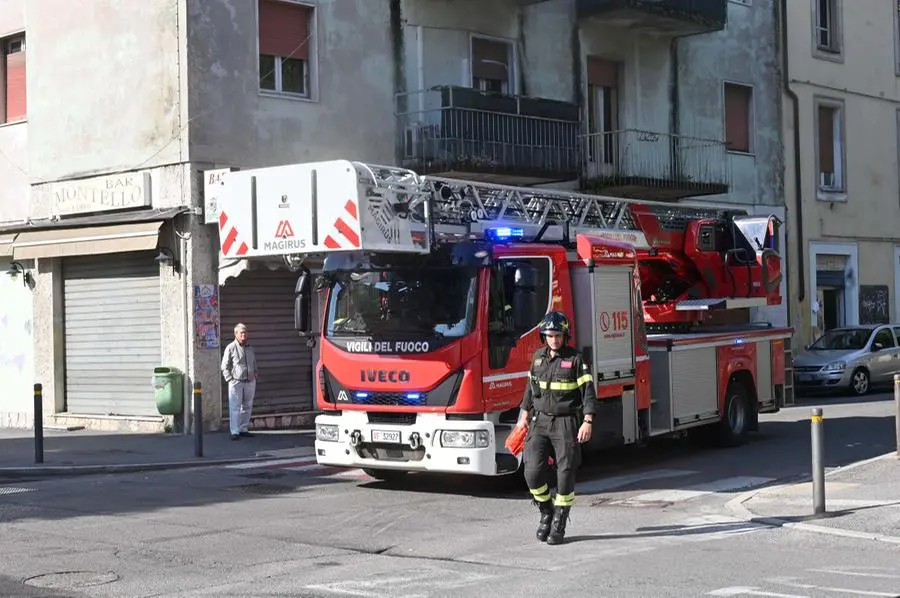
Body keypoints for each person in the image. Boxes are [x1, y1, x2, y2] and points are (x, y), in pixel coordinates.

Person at [517, 310, 597, 545]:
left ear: (565, 336)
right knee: (531, 472)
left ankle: (559, 521)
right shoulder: (538, 358)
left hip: (565, 422)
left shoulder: (576, 359)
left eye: (558, 335)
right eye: (550, 335)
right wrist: (523, 417)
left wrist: (588, 421)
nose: (554, 340)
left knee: (565, 472)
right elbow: (529, 390)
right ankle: (546, 511)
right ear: (544, 336)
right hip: (539, 421)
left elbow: (589, 394)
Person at [220, 322, 259, 440]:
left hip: (250, 381)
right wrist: (230, 379)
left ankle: (243, 428)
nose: (244, 335)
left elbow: (254, 363)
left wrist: (255, 374)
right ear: (235, 334)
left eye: (245, 332)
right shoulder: (230, 348)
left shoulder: (250, 348)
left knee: (247, 406)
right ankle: (235, 431)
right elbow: (224, 366)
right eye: (241, 333)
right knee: (235, 407)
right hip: (236, 382)